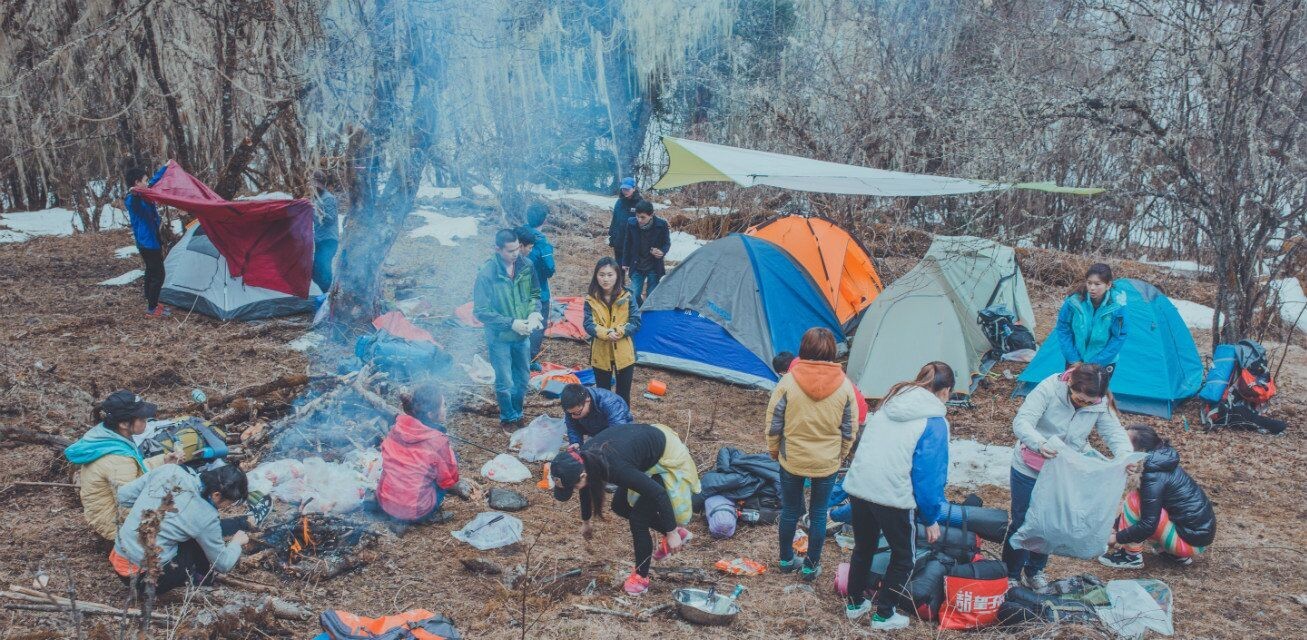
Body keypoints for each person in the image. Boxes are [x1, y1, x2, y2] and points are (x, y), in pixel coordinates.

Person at [841, 362, 954, 630]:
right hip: (892, 494)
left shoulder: (889, 404)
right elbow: (929, 476)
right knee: (904, 556)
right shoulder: (934, 422)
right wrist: (930, 517)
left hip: (860, 486)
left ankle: (855, 604)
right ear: (945, 391)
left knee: (864, 546)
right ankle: (884, 614)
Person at [1005, 364, 1134, 590]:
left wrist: (1126, 457)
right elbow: (1022, 422)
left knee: (1050, 522)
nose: (1083, 404)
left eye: (1088, 402)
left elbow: (1114, 433)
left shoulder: (1100, 402)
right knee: (1023, 520)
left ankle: (1034, 571)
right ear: (1069, 385)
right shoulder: (1049, 388)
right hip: (1030, 464)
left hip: (1063, 471)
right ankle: (1011, 574)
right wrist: (1040, 443)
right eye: (1079, 398)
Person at [550, 423, 700, 596]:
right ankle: (677, 532)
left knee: (638, 519)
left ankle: (641, 578)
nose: (574, 489)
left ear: (582, 475)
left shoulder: (614, 467)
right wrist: (586, 521)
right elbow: (585, 488)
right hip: (641, 451)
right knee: (619, 506)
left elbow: (659, 494)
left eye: (572, 486)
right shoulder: (584, 459)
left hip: (666, 459)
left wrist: (671, 532)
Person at [766, 327, 859, 582]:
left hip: (792, 457)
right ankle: (810, 566)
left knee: (789, 511)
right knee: (819, 514)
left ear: (803, 348)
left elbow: (775, 422)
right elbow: (850, 428)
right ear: (832, 350)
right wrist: (840, 454)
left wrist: (774, 449)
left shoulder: (787, 382)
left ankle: (786, 559)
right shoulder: (845, 386)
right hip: (827, 461)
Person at [111, 464, 252, 594]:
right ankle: (199, 579)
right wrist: (236, 543)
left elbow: (123, 496)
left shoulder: (169, 470)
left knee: (189, 530)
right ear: (217, 495)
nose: (227, 507)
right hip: (144, 580)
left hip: (118, 559)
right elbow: (223, 564)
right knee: (195, 541)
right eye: (230, 503)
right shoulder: (206, 515)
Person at [64, 391, 181, 541]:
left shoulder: (108, 437)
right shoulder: (117, 459)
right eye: (141, 418)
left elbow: (133, 471)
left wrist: (163, 461)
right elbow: (128, 507)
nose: (146, 419)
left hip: (106, 512)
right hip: (115, 525)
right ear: (124, 423)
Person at [1099, 425, 1215, 569]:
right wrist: (1115, 526)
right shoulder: (1161, 461)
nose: (1121, 448)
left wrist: (1116, 538)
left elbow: (1148, 524)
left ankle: (1131, 556)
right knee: (1146, 505)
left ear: (1139, 452)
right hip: (1196, 538)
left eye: (1125, 445)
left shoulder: (1151, 475)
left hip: (1189, 542)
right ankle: (1174, 554)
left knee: (1134, 500)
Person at [376, 383, 482, 528]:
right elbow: (449, 481)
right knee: (448, 463)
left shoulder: (397, 427)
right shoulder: (438, 442)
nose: (446, 408)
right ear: (431, 414)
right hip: (415, 510)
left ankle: (398, 511)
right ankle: (427, 516)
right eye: (443, 405)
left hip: (385, 502)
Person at [473, 229, 541, 430]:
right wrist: (511, 322)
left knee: (522, 378)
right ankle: (508, 417)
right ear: (498, 249)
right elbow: (481, 311)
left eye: (517, 248)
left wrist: (533, 313)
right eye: (510, 251)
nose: (515, 254)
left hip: (523, 334)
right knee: (505, 380)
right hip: (499, 336)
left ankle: (518, 413)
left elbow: (534, 294)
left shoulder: (526, 266)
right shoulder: (487, 274)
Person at [583, 257, 642, 403]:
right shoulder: (591, 299)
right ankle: (606, 424)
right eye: (601, 275)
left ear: (617, 276)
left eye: (610, 275)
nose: (606, 279)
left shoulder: (627, 296)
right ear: (596, 276)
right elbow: (588, 324)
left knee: (623, 394)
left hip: (624, 353)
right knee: (603, 394)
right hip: (601, 353)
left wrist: (619, 331)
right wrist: (606, 333)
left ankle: (623, 424)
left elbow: (635, 321)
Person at [1055, 263, 1127, 368]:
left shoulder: (1117, 306)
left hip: (1103, 363)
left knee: (1097, 385)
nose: (1092, 288)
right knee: (1072, 385)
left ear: (1108, 285)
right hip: (1075, 360)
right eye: (1089, 283)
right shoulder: (1073, 302)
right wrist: (1073, 358)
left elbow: (1119, 336)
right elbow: (1063, 328)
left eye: (1097, 284)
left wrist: (1096, 363)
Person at [124, 166, 169, 317]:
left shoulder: (144, 193)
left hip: (151, 240)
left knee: (151, 271)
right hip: (147, 243)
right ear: (137, 183)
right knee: (159, 274)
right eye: (145, 180)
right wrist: (134, 193)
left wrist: (166, 167)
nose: (147, 182)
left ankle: (152, 301)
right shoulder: (132, 199)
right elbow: (135, 201)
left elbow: (153, 182)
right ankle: (152, 309)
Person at [519, 204, 556, 372]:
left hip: (517, 291)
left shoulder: (518, 235)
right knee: (537, 325)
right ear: (545, 220)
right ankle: (529, 359)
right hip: (539, 291)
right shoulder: (541, 243)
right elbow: (550, 269)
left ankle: (517, 355)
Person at [621, 200, 670, 304]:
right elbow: (627, 243)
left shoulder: (661, 225)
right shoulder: (631, 223)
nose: (639, 220)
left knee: (652, 295)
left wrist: (662, 251)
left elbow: (666, 243)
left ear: (651, 215)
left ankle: (648, 315)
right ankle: (640, 310)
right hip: (637, 264)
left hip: (654, 265)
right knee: (633, 294)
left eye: (643, 217)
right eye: (637, 216)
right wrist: (625, 262)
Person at [561, 383, 633, 447]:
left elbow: (618, 431)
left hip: (619, 431)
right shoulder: (572, 404)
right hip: (595, 429)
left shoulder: (610, 403)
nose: (573, 416)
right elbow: (572, 426)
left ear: (587, 400)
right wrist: (575, 442)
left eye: (577, 413)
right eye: (570, 413)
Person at [311, 170, 340, 293]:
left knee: (323, 268)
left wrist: (316, 209)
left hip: (329, 240)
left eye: (315, 184)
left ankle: (328, 296)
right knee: (317, 269)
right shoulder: (317, 198)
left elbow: (330, 220)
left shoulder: (328, 198)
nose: (314, 187)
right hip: (320, 240)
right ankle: (323, 296)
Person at [610, 177, 640, 264]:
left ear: (634, 189)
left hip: (633, 241)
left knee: (634, 269)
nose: (625, 191)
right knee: (619, 266)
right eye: (623, 189)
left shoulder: (640, 203)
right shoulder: (619, 202)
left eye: (627, 189)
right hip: (619, 240)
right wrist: (612, 236)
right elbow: (615, 220)